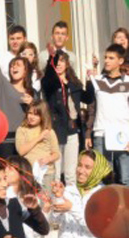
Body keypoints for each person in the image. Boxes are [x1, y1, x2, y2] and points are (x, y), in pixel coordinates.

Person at [0, 15, 38, 159]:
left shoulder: (31, 92)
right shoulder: (2, 84)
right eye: (12, 66)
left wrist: (32, 104)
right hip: (5, 138)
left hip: (25, 137)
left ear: (26, 70)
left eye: (18, 65)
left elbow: (39, 115)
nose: (14, 68)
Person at [82, 44, 129, 185]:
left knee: (126, 176)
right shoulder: (98, 80)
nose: (107, 61)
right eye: (105, 58)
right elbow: (91, 107)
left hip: (123, 135)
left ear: (120, 61)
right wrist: (88, 133)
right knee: (102, 176)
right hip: (101, 133)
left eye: (111, 58)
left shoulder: (127, 81)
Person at [42, 50, 83, 186]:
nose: (59, 64)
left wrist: (90, 79)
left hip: (72, 129)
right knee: (56, 172)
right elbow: (47, 79)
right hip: (56, 130)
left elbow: (87, 98)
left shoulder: (74, 83)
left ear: (67, 64)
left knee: (71, 173)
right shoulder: (49, 83)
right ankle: (56, 201)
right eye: (56, 62)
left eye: (62, 61)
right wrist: (51, 59)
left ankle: (72, 201)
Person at [15, 100, 61, 191]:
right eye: (30, 113)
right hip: (28, 173)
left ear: (42, 116)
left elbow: (56, 153)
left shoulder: (49, 131)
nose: (31, 117)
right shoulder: (22, 130)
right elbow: (21, 151)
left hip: (46, 173)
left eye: (36, 115)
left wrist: (48, 159)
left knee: (46, 202)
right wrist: (39, 138)